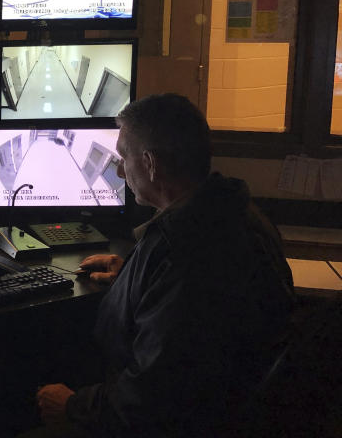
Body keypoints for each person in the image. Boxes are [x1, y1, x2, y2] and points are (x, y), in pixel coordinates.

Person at [34, 93, 295, 437]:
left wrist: (72, 406)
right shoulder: (239, 215)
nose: (118, 169)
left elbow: (151, 396)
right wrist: (132, 274)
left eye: (124, 157)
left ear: (151, 164)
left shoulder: (185, 253)